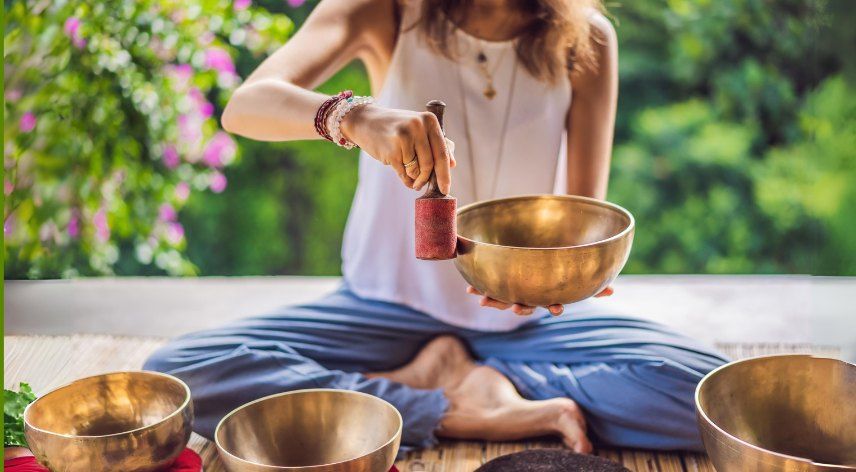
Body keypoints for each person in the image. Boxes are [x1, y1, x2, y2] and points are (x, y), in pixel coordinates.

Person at [145, 0, 727, 453]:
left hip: (526, 327)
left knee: (717, 396)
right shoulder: (387, 10)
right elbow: (246, 105)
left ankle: (487, 383)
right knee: (177, 373)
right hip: (383, 307)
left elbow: (581, 217)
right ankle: (442, 401)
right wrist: (354, 117)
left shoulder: (590, 38)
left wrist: (564, 275)